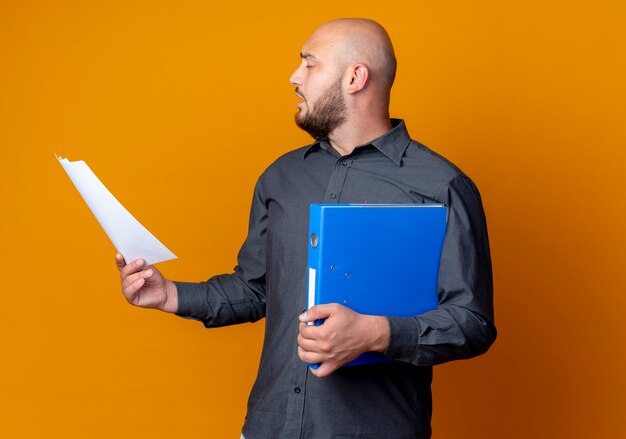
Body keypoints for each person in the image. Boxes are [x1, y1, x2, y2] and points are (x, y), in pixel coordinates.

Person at [116, 18, 496, 439]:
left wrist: (376, 332)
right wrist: (169, 294)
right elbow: (256, 288)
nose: (294, 78)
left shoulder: (441, 186)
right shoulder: (280, 179)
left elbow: (471, 322)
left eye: (309, 64)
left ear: (355, 77)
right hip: (269, 426)